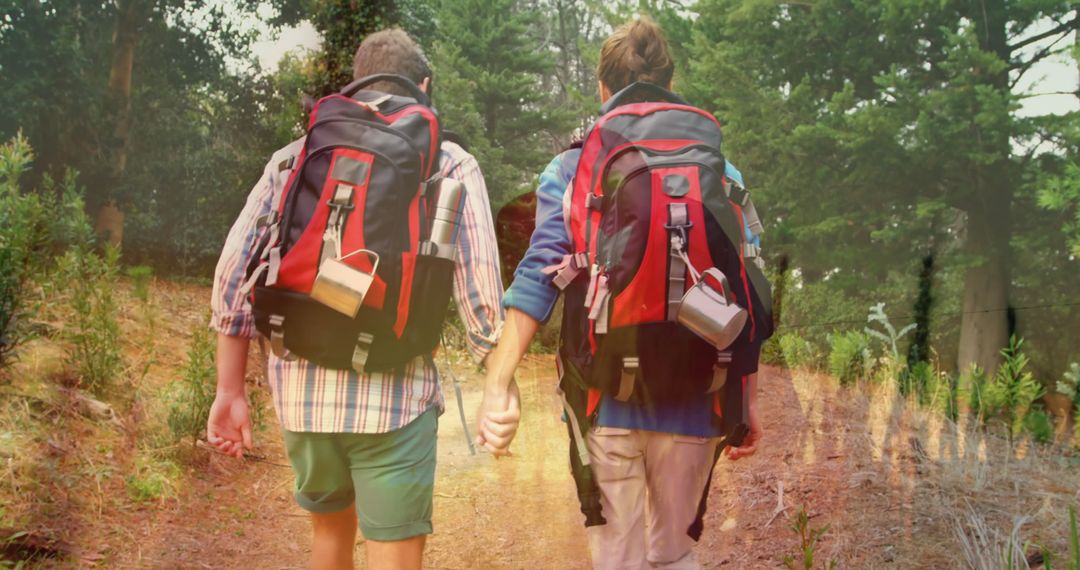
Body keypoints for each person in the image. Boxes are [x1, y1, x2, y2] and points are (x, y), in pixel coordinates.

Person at [208, 29, 504, 570]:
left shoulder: (295, 156)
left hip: (302, 395)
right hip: (395, 395)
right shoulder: (448, 162)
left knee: (329, 536)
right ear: (424, 86)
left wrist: (230, 390)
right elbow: (481, 295)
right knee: (393, 552)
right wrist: (499, 386)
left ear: (357, 83)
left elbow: (232, 275)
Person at [477, 17, 766, 570]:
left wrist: (498, 382)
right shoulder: (720, 169)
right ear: (670, 84)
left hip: (604, 395)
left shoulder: (573, 166)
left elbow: (539, 273)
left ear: (603, 88)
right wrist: (746, 401)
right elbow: (746, 287)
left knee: (618, 559)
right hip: (697, 394)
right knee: (675, 554)